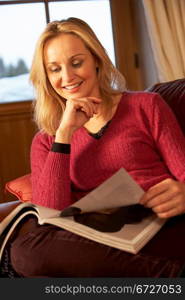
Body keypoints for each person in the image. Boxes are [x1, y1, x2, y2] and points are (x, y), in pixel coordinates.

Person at [6, 17, 185, 277]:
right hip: (105, 242)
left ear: (97, 60)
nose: (67, 77)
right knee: (26, 250)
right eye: (55, 69)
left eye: (77, 63)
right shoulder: (47, 141)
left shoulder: (147, 106)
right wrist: (64, 133)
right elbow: (50, 214)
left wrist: (183, 193)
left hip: (161, 223)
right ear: (46, 76)